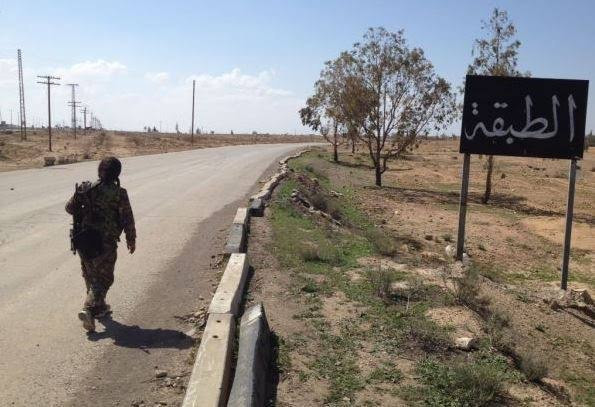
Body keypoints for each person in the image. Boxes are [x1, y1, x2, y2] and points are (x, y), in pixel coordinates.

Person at [65, 156, 136, 332]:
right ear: (117, 173)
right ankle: (88, 309)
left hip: (83, 239)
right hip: (105, 242)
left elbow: (69, 208)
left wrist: (83, 203)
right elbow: (127, 218)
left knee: (90, 274)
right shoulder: (119, 193)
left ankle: (100, 307)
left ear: (99, 171)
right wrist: (131, 239)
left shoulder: (85, 188)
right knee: (104, 278)